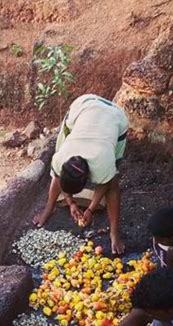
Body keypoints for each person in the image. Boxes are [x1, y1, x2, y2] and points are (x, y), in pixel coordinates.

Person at [33, 94, 129, 255]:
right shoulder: (60, 159)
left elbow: (105, 185)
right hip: (83, 105)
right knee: (58, 167)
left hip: (115, 116)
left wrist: (90, 209)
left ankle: (114, 233)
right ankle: (48, 209)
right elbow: (57, 177)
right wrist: (71, 203)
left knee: (112, 184)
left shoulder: (103, 163)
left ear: (87, 179)